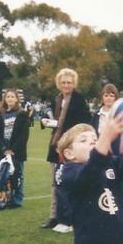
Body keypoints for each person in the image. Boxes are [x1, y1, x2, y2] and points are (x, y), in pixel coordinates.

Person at [40, 68, 91, 232]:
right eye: (63, 82)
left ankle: (72, 217)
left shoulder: (79, 99)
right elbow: (53, 121)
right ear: (59, 84)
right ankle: (55, 216)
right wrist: (45, 121)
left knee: (72, 183)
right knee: (56, 182)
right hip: (56, 146)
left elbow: (85, 123)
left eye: (69, 82)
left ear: (74, 83)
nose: (66, 85)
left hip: (72, 147)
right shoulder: (57, 99)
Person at [0, 88, 30, 207]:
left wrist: (13, 150)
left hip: (16, 152)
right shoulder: (0, 114)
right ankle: (5, 199)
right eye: (8, 97)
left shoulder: (22, 114)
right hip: (3, 151)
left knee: (17, 175)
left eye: (12, 97)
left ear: (17, 99)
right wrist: (4, 149)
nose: (10, 99)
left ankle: (17, 200)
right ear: (4, 99)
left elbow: (23, 135)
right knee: (4, 175)